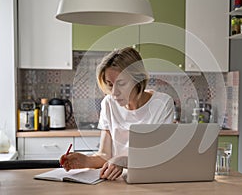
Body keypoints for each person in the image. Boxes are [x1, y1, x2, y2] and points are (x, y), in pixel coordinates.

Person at [60, 47, 174, 180]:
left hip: (150, 180)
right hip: (117, 183)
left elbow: (159, 157)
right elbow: (104, 155)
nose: (114, 93)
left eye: (121, 83)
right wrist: (85, 161)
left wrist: (124, 161)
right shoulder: (108, 104)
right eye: (109, 84)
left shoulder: (162, 104)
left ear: (138, 80)